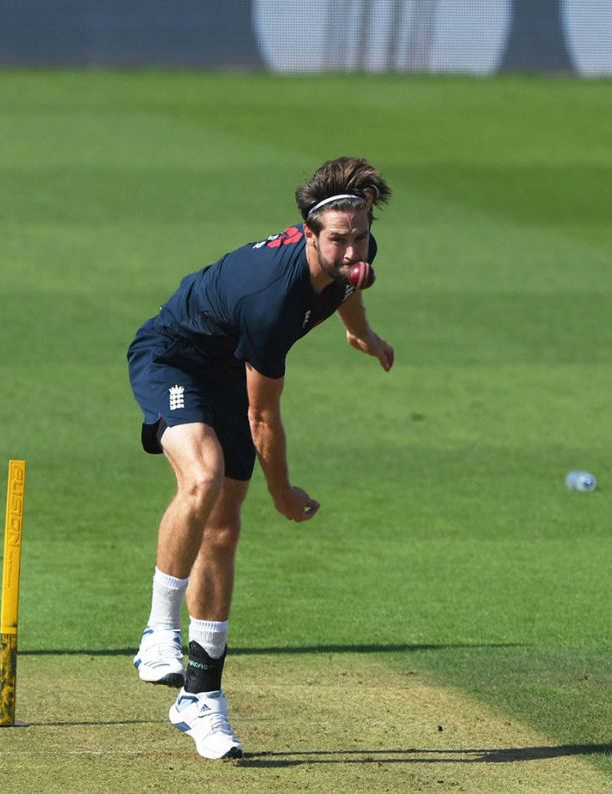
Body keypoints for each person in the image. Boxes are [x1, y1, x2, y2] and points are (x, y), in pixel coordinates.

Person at [126, 157, 394, 759]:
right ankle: (157, 632)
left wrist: (362, 333)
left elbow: (351, 284)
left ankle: (200, 700)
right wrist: (282, 493)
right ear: (307, 233)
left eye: (361, 236)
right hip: (175, 357)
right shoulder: (273, 297)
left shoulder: (352, 254)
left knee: (222, 531)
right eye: (339, 241)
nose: (353, 250)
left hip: (230, 368)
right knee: (203, 478)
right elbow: (263, 418)